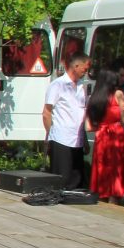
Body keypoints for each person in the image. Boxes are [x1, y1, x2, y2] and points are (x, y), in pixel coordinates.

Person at [43, 53, 90, 189]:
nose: (86, 73)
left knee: (76, 180)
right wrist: (50, 134)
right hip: (61, 138)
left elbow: (80, 115)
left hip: (77, 139)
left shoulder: (82, 87)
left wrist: (85, 140)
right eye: (84, 69)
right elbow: (47, 112)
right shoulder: (58, 85)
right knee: (61, 179)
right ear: (76, 66)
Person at [86, 69, 124, 205]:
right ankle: (114, 199)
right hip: (116, 135)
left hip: (101, 136)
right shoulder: (118, 94)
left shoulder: (94, 98)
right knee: (116, 169)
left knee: (102, 168)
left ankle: (101, 197)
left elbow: (89, 127)